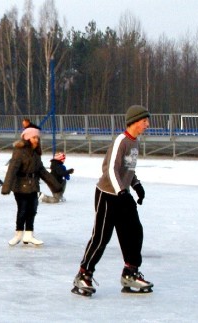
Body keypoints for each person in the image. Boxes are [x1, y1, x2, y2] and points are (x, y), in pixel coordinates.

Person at [71, 105, 153, 297]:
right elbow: (110, 170)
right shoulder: (121, 141)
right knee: (101, 237)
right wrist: (120, 192)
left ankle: (130, 272)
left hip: (122, 194)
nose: (147, 124)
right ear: (134, 122)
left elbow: (127, 169)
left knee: (134, 232)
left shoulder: (134, 142)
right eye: (144, 121)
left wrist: (137, 185)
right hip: (108, 195)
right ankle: (83, 274)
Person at [1, 127, 62, 246]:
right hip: (20, 186)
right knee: (22, 210)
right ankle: (18, 234)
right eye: (34, 137)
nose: (36, 140)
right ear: (27, 138)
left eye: (37, 138)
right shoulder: (19, 151)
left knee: (32, 210)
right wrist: (6, 187)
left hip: (33, 185)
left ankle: (28, 235)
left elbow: (41, 170)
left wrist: (55, 185)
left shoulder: (35, 152)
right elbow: (12, 169)